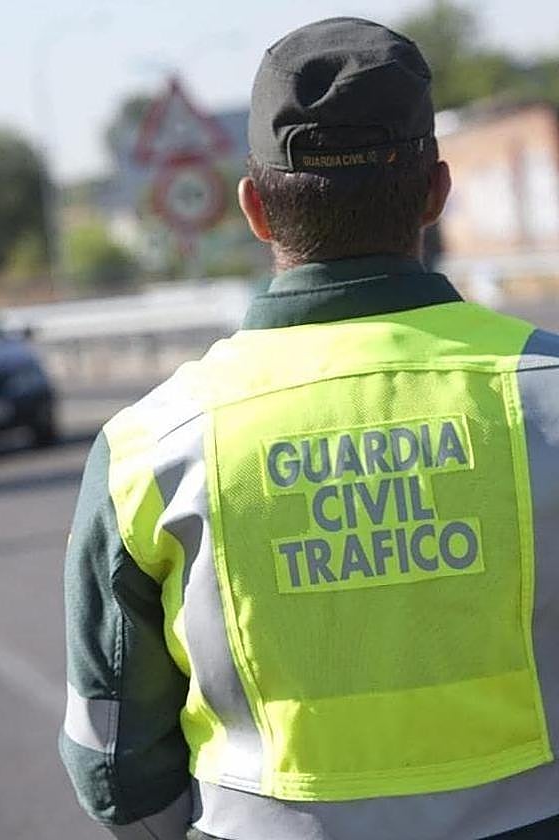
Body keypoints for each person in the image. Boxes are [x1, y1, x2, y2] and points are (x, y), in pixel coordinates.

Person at [60, 17, 559, 840]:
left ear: (255, 207)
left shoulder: (152, 447)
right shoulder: (545, 392)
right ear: (436, 191)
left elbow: (111, 758)